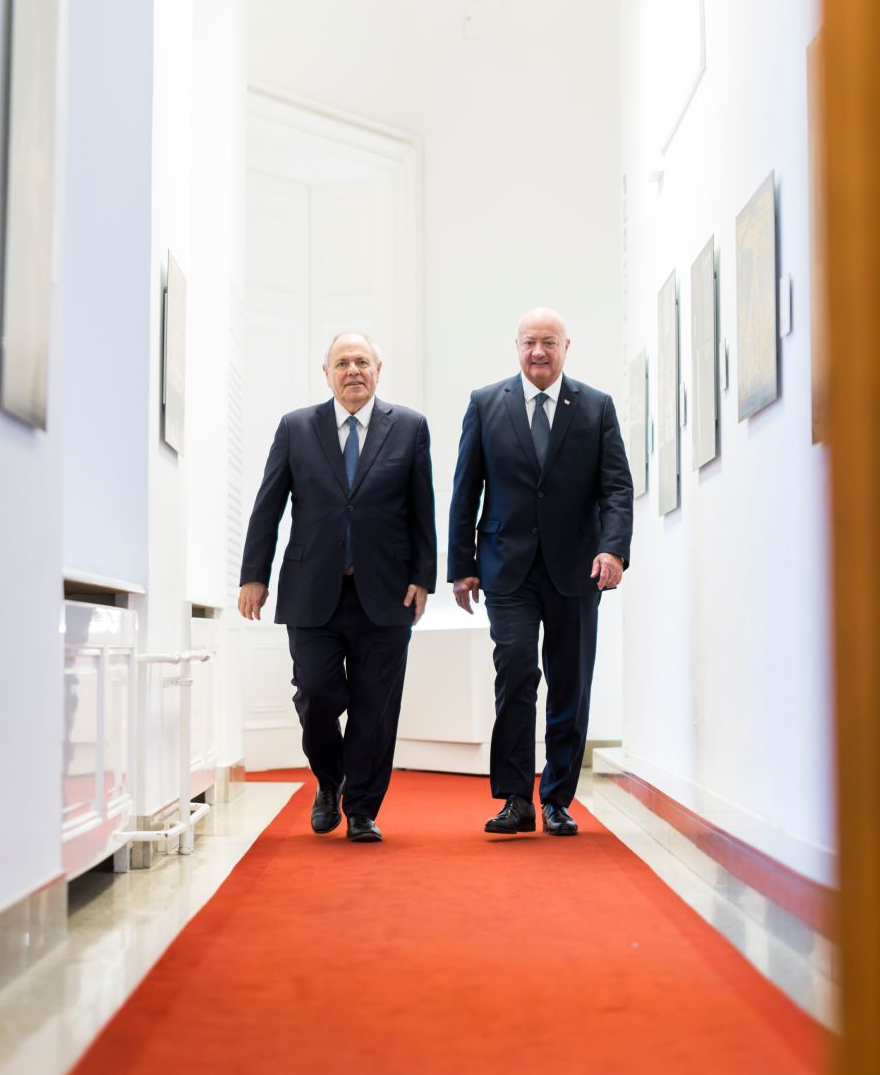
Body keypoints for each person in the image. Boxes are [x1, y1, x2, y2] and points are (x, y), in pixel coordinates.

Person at [239, 332, 436, 842]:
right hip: (312, 590)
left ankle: (363, 809)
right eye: (342, 362)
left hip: (388, 591)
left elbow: (422, 510)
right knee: (318, 694)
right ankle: (329, 781)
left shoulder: (410, 428)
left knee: (376, 705)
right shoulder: (296, 428)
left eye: (362, 362)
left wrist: (423, 577)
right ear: (325, 372)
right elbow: (268, 506)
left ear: (378, 369)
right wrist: (253, 576)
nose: (353, 370)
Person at [448, 307, 633, 837]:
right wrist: (462, 566)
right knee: (516, 675)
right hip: (506, 570)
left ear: (566, 346)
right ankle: (514, 799)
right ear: (517, 346)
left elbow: (616, 488)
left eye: (548, 342)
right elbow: (467, 488)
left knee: (571, 682)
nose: (538, 352)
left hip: (578, 570)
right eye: (530, 342)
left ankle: (556, 798)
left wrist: (613, 549)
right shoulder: (486, 405)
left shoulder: (596, 407)